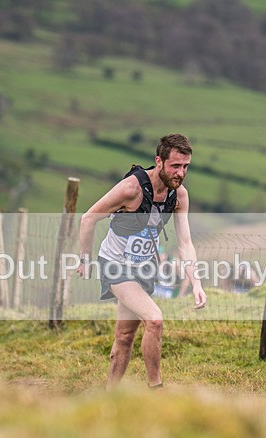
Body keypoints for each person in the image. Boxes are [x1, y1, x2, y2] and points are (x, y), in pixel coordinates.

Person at [77, 134, 206, 389]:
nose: (181, 173)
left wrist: (197, 282)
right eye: (175, 166)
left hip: (144, 268)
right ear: (159, 161)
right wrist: (85, 259)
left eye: (186, 167)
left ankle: (109, 397)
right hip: (115, 265)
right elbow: (88, 218)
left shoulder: (178, 196)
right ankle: (156, 390)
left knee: (125, 337)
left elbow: (185, 243)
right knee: (155, 320)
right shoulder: (131, 189)